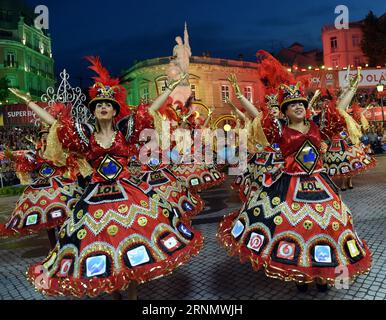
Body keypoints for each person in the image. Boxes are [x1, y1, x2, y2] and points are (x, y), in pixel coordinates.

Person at [9, 56, 203, 299]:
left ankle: (132, 296)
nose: (103, 107)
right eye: (99, 104)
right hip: (94, 200)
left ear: (114, 110)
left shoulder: (124, 130)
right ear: (94, 110)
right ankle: (117, 294)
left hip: (128, 196)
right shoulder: (85, 134)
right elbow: (56, 123)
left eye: (108, 105)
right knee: (107, 254)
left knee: (133, 251)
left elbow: (152, 109)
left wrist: (172, 88)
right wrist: (29, 102)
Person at [218, 81, 372, 292]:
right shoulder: (279, 128)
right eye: (293, 105)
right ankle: (301, 275)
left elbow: (339, 111)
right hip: (289, 184)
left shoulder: (318, 124)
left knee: (326, 227)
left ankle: (321, 274)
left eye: (301, 103)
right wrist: (240, 97)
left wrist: (353, 88)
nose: (299, 107)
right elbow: (257, 116)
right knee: (295, 227)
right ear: (285, 111)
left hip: (319, 182)